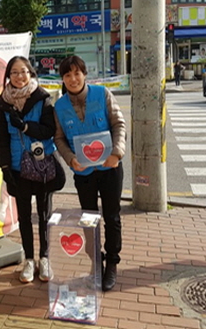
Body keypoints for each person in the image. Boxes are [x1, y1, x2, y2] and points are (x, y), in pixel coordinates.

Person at [53, 55, 127, 292]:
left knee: (112, 217)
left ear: (84, 74)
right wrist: (70, 159)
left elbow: (119, 124)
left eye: (77, 73)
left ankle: (112, 263)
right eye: (67, 75)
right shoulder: (60, 106)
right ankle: (96, 261)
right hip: (83, 172)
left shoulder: (102, 94)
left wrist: (117, 153)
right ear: (62, 79)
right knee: (88, 218)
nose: (73, 79)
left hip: (110, 168)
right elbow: (59, 138)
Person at [0, 55, 65, 283]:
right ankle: (29, 260)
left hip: (42, 163)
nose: (19, 76)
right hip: (17, 166)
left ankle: (45, 258)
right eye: (14, 72)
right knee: (24, 216)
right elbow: (2, 139)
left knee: (44, 214)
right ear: (8, 76)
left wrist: (25, 126)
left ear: (31, 73)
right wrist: (4, 166)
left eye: (23, 71)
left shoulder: (42, 98)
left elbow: (48, 130)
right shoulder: (3, 104)